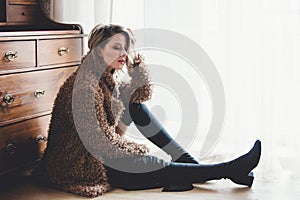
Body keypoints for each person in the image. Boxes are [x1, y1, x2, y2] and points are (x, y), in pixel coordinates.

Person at [33, 24, 261, 198]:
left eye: (125, 48)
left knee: (135, 107)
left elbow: (136, 98)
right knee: (149, 164)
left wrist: (137, 72)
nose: (124, 53)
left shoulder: (102, 78)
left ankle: (192, 164)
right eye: (116, 47)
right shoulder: (84, 88)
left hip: (98, 153)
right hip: (81, 164)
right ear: (98, 50)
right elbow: (100, 144)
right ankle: (229, 170)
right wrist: (135, 151)